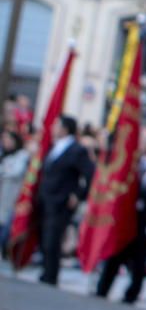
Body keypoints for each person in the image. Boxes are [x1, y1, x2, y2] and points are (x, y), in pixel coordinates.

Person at [95, 129, 146, 303]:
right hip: (128, 216)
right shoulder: (135, 162)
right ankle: (103, 287)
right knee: (116, 253)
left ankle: (132, 293)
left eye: (145, 141)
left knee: (139, 259)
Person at [36, 115, 94, 285]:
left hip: (61, 201)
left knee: (53, 238)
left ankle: (51, 274)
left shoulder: (77, 150)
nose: (53, 128)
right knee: (45, 236)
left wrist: (78, 195)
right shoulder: (55, 146)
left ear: (65, 128)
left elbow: (90, 174)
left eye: (57, 125)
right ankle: (46, 270)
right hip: (46, 198)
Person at [0, 130, 28, 253]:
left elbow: (16, 172)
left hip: (12, 198)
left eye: (8, 139)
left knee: (6, 230)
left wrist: (4, 170)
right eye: (3, 140)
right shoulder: (3, 154)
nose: (5, 142)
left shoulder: (22, 155)